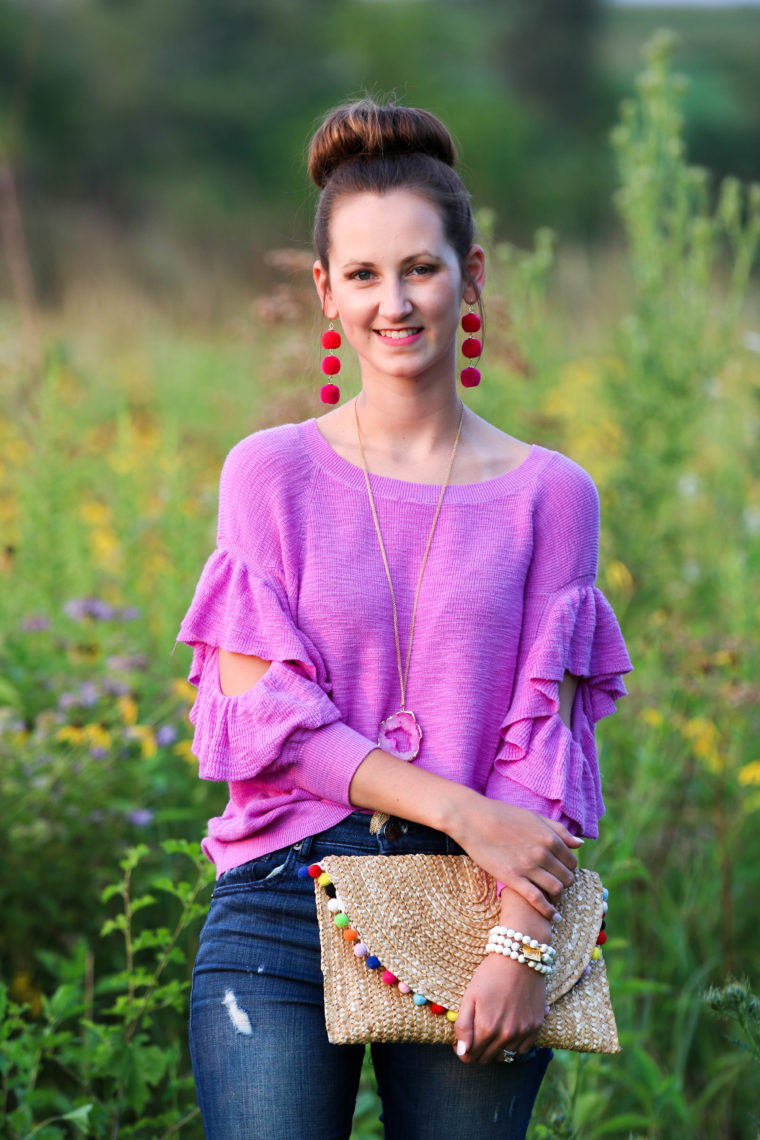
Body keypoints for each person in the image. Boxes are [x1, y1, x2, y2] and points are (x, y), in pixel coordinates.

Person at [177, 99, 633, 1140]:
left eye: (421, 269)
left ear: (469, 279)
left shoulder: (550, 495)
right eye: (367, 274)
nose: (397, 302)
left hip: (479, 911)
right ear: (325, 290)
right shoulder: (269, 474)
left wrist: (520, 946)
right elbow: (270, 723)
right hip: (282, 901)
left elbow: (545, 756)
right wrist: (467, 810)